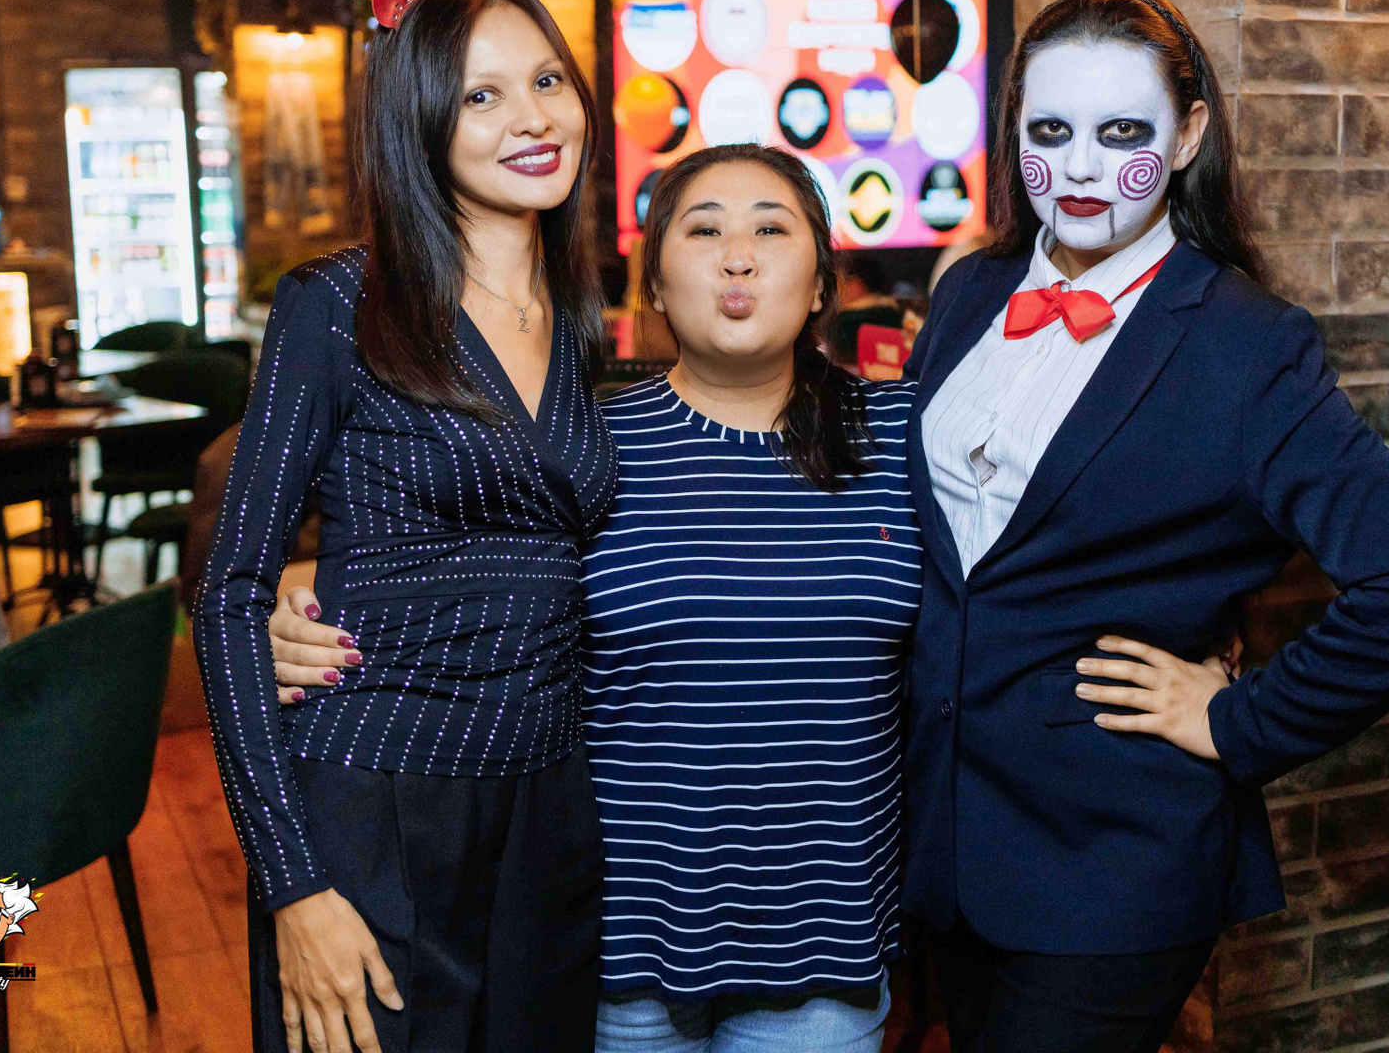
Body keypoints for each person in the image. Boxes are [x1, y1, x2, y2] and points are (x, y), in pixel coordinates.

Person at [900, 0, 1389, 1051]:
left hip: (1113, 856)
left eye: (1123, 133)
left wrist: (1236, 720)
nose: (1081, 169)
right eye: (1051, 132)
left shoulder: (1244, 345)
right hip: (949, 839)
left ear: (1187, 137)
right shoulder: (970, 293)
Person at [268, 143, 919, 1052]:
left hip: (823, 946)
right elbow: (454, 580)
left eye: (772, 230)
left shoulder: (903, 432)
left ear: (820, 285)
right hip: (616, 948)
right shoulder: (582, 445)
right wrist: (306, 594)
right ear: (654, 287)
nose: (738, 257)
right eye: (704, 232)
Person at [192, 0, 617, 1053]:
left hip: (549, 809)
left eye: (547, 80)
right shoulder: (340, 303)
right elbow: (229, 594)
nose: (533, 117)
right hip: (380, 798)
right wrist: (293, 883)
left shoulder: (583, 320)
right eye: (482, 95)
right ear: (420, 120)